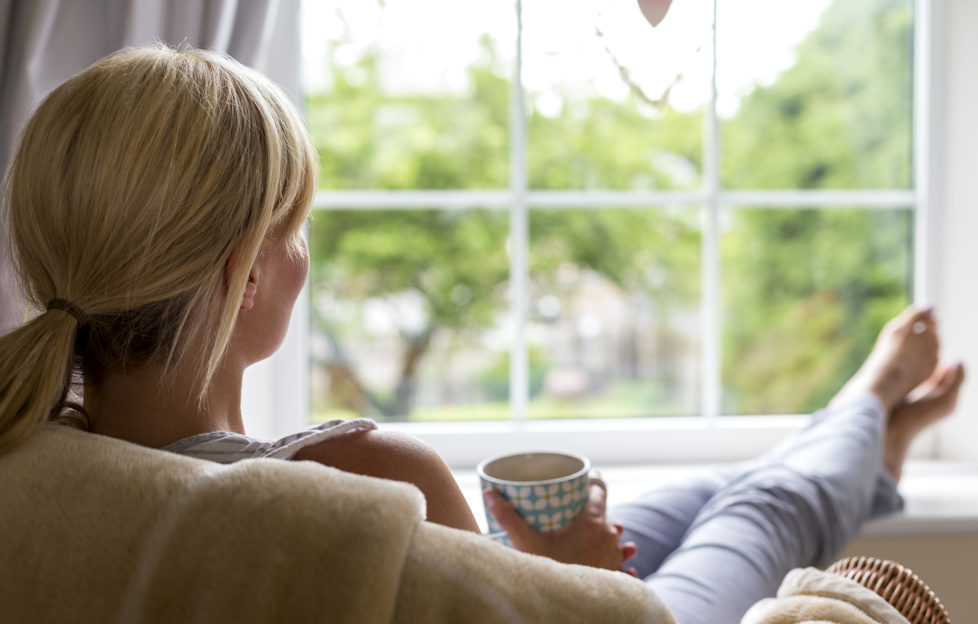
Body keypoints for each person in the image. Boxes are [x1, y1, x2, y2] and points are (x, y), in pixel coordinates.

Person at [0, 46, 964, 624]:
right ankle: (868, 408)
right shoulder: (371, 477)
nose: (303, 254)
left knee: (706, 489)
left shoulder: (54, 461)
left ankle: (865, 443)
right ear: (245, 272)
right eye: (293, 230)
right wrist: (572, 576)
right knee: (769, 507)